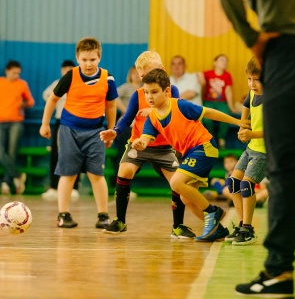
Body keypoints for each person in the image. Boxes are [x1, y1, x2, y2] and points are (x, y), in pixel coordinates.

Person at [220, 0, 295, 296]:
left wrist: (250, 37)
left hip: (286, 47)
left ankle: (279, 271)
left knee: (284, 171)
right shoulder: (249, 98)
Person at [131, 68, 251, 241]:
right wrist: (139, 143)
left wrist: (238, 121)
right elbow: (144, 139)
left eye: (154, 92)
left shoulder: (180, 105)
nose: (150, 96)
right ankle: (217, 229)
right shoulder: (152, 118)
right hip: (189, 153)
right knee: (186, 198)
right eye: (146, 92)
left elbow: (210, 112)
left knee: (176, 182)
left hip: (204, 146)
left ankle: (212, 211)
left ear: (166, 91)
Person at [100, 51, 199, 239]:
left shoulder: (172, 91)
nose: (149, 80)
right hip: (139, 144)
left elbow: (175, 111)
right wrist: (115, 131)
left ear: (162, 71)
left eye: (152, 73)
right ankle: (120, 221)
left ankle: (178, 226)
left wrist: (156, 109)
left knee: (178, 183)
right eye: (144, 77)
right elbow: (127, 118)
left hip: (164, 147)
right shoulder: (138, 95)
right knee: (124, 170)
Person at [39, 37, 117, 229]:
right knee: (68, 174)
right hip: (69, 131)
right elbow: (52, 100)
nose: (88, 64)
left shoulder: (108, 78)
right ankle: (63, 215)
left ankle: (103, 215)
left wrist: (111, 130)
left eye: (92, 59)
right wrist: (45, 124)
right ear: (77, 58)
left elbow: (111, 105)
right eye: (84, 59)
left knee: (96, 174)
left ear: (99, 57)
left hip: (96, 132)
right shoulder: (70, 76)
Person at [225, 57, 267, 246]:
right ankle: (242, 225)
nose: (252, 84)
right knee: (233, 182)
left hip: (265, 152)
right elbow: (246, 105)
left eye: (256, 79)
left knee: (246, 185)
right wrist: (243, 125)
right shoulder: (253, 94)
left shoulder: (273, 99)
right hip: (251, 148)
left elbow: (273, 131)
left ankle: (248, 230)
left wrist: (251, 134)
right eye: (249, 79)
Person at [41, 60, 81, 202]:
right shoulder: (57, 83)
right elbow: (46, 95)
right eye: (65, 69)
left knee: (74, 154)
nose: (67, 71)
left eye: (70, 68)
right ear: (62, 70)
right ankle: (53, 187)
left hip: (76, 122)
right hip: (59, 121)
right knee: (55, 154)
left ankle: (74, 188)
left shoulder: (79, 84)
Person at [0, 60, 35, 195]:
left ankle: (6, 183)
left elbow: (30, 101)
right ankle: (18, 175)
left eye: (18, 73)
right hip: (1, 121)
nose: (16, 75)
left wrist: (24, 104)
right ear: (7, 71)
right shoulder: (1, 82)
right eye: (14, 73)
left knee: (12, 152)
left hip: (16, 122)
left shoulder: (22, 84)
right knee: (1, 152)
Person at [198, 54, 238, 149]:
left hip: (221, 102)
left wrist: (231, 107)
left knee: (225, 117)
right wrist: (200, 76)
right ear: (215, 62)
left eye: (226, 61)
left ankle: (221, 138)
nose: (224, 62)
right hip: (209, 101)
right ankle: (211, 139)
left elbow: (228, 92)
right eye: (222, 60)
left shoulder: (227, 75)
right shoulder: (207, 74)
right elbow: (199, 77)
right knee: (207, 119)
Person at [113, 66, 142, 176]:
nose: (135, 75)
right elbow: (113, 97)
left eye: (138, 73)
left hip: (139, 129)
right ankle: (119, 182)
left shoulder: (145, 90)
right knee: (124, 155)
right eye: (133, 73)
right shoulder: (126, 87)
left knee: (133, 157)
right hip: (126, 127)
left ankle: (126, 182)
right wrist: (125, 111)